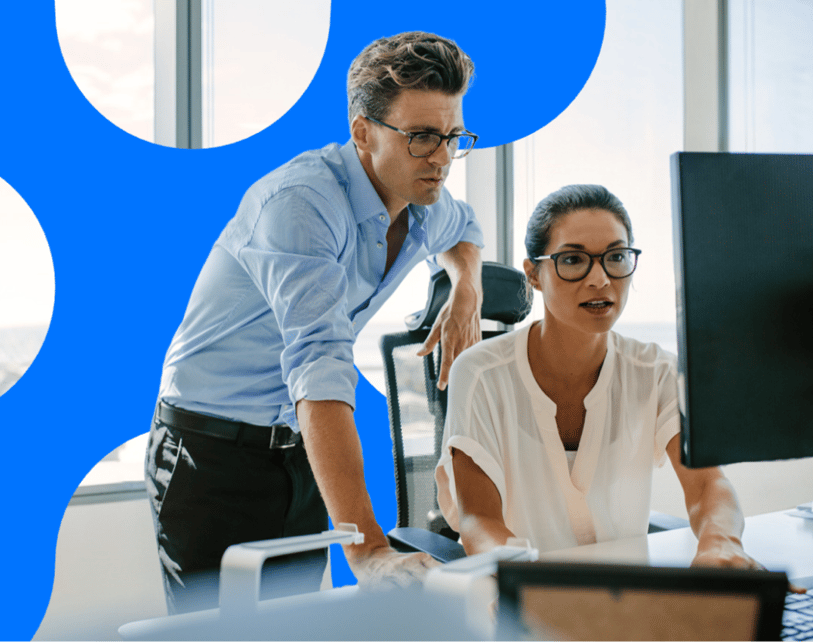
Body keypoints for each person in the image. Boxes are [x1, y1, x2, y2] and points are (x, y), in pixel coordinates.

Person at [147, 31, 486, 614]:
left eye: (454, 136)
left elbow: (466, 231)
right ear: (363, 131)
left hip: (300, 450)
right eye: (423, 137)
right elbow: (320, 366)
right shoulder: (301, 204)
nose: (442, 157)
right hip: (211, 450)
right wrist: (370, 553)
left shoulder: (423, 199)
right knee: (214, 635)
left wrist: (467, 291)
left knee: (296, 625)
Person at [435, 184, 766, 571]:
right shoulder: (480, 374)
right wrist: (538, 584)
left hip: (624, 607)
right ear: (535, 274)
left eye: (616, 257)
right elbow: (479, 521)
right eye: (574, 260)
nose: (600, 279)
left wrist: (720, 543)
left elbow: (709, 486)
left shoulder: (656, 372)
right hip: (516, 609)